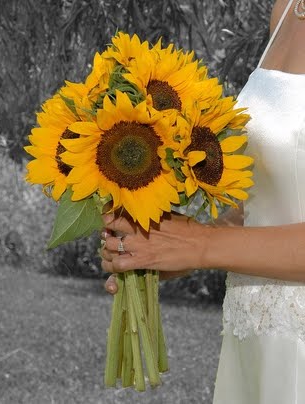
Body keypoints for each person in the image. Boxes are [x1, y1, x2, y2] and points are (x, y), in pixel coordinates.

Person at [100, 0, 305, 402]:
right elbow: (271, 194)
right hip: (256, 339)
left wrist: (202, 245)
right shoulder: (287, 10)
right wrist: (164, 246)